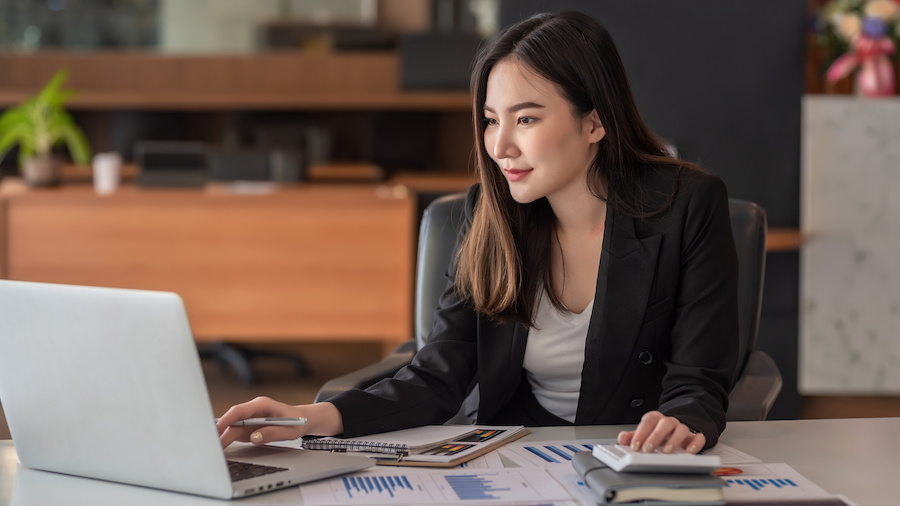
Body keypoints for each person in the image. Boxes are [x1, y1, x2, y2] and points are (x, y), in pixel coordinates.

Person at [217, 11, 739, 455]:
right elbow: (438, 375)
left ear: (595, 123)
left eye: (526, 120)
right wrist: (310, 417)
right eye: (491, 120)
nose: (500, 146)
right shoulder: (489, 213)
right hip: (514, 454)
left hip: (627, 457)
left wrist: (682, 424)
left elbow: (698, 379)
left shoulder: (686, 205)